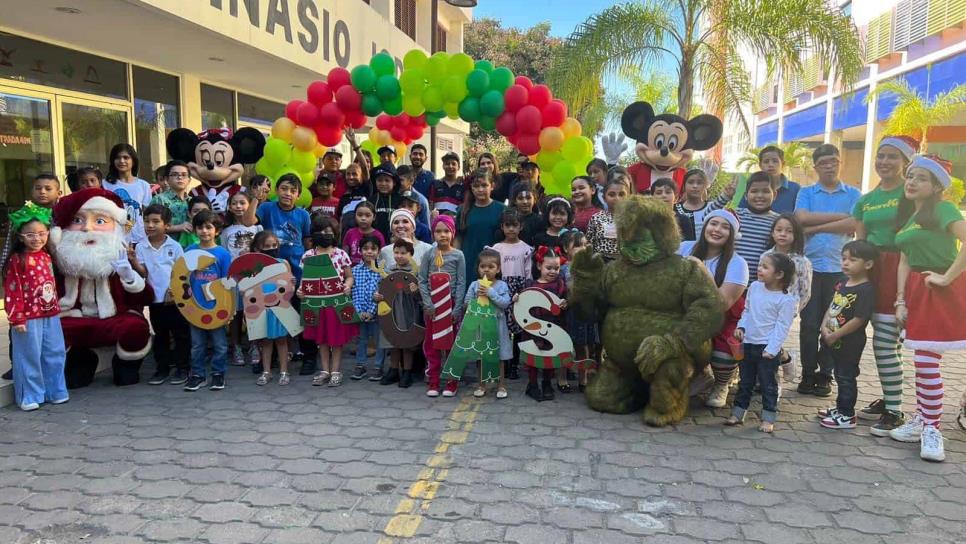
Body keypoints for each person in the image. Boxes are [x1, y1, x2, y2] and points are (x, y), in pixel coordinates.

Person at [891, 154, 965, 463]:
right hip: (918, 292)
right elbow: (905, 259)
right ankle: (923, 419)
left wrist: (947, 278)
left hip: (941, 291)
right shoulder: (912, 216)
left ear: (936, 186)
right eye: (910, 176)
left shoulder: (945, 209)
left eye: (920, 177)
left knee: (925, 361)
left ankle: (933, 428)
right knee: (923, 361)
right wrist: (900, 300)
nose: (911, 181)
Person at [50, 188, 154, 388]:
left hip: (113, 318)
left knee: (134, 328)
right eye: (77, 220)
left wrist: (129, 276)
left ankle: (125, 366)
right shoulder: (63, 264)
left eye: (99, 221)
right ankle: (80, 361)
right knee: (55, 330)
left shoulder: (117, 259)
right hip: (76, 317)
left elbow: (145, 297)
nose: (87, 229)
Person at [852, 136, 919, 434]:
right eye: (880, 156)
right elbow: (860, 242)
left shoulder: (913, 197)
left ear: (906, 162)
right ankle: (891, 398)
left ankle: (894, 410)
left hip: (900, 270)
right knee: (887, 341)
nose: (884, 162)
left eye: (892, 156)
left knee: (885, 342)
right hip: (871, 269)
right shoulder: (865, 200)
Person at [795, 144, 862, 397]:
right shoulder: (807, 192)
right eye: (824, 162)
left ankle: (825, 375)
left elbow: (855, 222)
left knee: (833, 324)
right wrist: (839, 219)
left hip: (840, 270)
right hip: (810, 269)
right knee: (809, 323)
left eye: (834, 160)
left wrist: (814, 227)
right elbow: (800, 219)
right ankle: (807, 373)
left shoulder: (853, 193)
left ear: (840, 162)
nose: (829, 165)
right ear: (816, 167)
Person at [679, 210, 749, 408]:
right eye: (713, 224)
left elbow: (722, 304)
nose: (717, 230)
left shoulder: (738, 264)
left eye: (725, 227)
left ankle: (722, 383)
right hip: (687, 313)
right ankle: (701, 375)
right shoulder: (684, 247)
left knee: (724, 351)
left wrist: (701, 269)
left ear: (732, 235)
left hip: (723, 319)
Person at [3, 203, 67, 411]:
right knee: (29, 355)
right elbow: (13, 291)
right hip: (27, 318)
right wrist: (17, 318)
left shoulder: (46, 256)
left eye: (41, 233)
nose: (37, 238)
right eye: (30, 234)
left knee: (55, 352)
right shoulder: (17, 260)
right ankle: (30, 394)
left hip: (51, 313)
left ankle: (55, 390)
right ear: (20, 235)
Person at [726, 252, 798, 433]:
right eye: (759, 265)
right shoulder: (755, 287)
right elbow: (747, 311)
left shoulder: (786, 299)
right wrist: (741, 327)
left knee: (768, 384)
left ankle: (768, 417)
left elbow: (782, 327)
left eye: (765, 267)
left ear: (779, 274)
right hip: (748, 343)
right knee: (745, 382)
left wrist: (772, 349)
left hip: (767, 348)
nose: (759, 269)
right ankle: (738, 412)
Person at [817, 240, 877, 429]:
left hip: (850, 343)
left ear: (867, 264)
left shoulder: (866, 289)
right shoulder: (842, 282)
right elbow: (833, 305)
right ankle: (840, 407)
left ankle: (847, 414)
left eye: (852, 259)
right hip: (832, 339)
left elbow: (859, 319)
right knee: (838, 373)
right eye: (843, 258)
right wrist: (823, 326)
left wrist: (836, 335)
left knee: (846, 377)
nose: (845, 263)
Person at [132, 204, 189, 386]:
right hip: (154, 301)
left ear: (167, 225)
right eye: (147, 221)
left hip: (174, 300)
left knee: (180, 334)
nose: (150, 225)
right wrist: (133, 261)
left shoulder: (174, 246)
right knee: (160, 335)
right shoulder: (141, 246)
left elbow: (182, 271)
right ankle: (162, 368)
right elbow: (143, 272)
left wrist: (174, 289)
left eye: (156, 221)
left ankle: (182, 368)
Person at [300, 215, 357, 387]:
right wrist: (300, 290)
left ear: (335, 234)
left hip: (336, 303)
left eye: (329, 232)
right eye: (321, 231)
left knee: (336, 339)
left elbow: (349, 276)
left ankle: (336, 371)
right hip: (316, 304)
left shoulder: (341, 254)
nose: (325, 235)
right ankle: (325, 370)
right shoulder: (308, 255)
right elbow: (305, 280)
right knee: (322, 339)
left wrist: (347, 286)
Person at [183, 210, 232, 392]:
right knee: (197, 344)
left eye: (208, 227)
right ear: (195, 230)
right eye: (200, 227)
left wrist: (228, 308)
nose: (204, 231)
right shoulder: (190, 251)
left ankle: (218, 373)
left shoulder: (223, 254)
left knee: (219, 344)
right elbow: (183, 278)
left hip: (216, 307)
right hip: (194, 306)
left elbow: (227, 282)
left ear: (217, 231)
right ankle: (197, 375)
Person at [419, 215, 466, 397]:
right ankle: (434, 381)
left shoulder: (458, 255)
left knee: (451, 344)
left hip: (451, 304)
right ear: (433, 234)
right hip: (433, 307)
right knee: (433, 344)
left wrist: (457, 308)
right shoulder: (429, 255)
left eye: (446, 231)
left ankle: (452, 381)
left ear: (452, 233)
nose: (442, 235)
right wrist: (428, 303)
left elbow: (461, 283)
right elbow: (422, 280)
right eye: (438, 231)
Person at [762, 213, 812, 381]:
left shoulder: (802, 261)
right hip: (767, 306)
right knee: (766, 340)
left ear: (795, 235)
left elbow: (805, 290)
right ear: (772, 233)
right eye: (779, 230)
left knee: (774, 340)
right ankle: (786, 359)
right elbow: (761, 281)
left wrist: (794, 308)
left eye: (789, 231)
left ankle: (773, 383)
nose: (783, 234)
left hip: (786, 309)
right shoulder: (766, 257)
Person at [705, 172, 779, 282]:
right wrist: (725, 197)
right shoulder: (735, 215)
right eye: (754, 191)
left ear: (774, 195)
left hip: (759, 284)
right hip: (728, 280)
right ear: (745, 195)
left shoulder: (778, 222)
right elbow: (707, 217)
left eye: (765, 191)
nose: (759, 195)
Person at [247, 230, 298, 386]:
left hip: (280, 306)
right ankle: (266, 371)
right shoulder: (254, 265)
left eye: (274, 245)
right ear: (257, 248)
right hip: (262, 308)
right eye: (266, 246)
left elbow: (290, 286)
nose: (271, 248)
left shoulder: (283, 263)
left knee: (282, 340)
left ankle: (284, 371)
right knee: (266, 341)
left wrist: (293, 284)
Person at [520, 246, 567, 401]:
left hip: (553, 326)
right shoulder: (530, 284)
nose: (553, 271)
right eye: (549, 268)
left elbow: (565, 301)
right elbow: (522, 302)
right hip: (533, 327)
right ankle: (532, 384)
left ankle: (547, 383)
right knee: (533, 355)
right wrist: (516, 298)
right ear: (539, 266)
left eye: (556, 268)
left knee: (550, 355)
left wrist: (565, 303)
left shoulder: (559, 285)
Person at [465, 248, 512, 399]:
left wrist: (491, 293)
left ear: (498, 269)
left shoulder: (502, 286)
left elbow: (505, 304)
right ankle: (482, 384)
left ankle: (501, 385)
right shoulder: (474, 285)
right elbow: (466, 304)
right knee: (481, 358)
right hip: (480, 327)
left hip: (497, 327)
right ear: (478, 268)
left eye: (491, 267)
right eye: (482, 266)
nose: (486, 270)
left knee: (498, 358)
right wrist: (474, 300)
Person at [492, 209, 533, 381]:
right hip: (501, 288)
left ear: (520, 227)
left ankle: (514, 364)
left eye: (514, 225)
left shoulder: (525, 248)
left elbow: (528, 273)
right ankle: (502, 364)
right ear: (502, 227)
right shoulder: (496, 248)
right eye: (507, 225)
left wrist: (522, 292)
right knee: (501, 328)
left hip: (518, 290)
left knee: (516, 330)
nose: (511, 229)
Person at [377, 238, 422, 388]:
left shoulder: (417, 271)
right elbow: (381, 289)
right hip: (391, 311)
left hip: (408, 311)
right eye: (396, 252)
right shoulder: (388, 270)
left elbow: (422, 295)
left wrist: (416, 292)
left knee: (406, 341)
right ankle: (393, 370)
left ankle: (407, 372)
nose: (399, 255)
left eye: (403, 253)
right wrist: (376, 296)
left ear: (411, 254)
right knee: (393, 341)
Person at [561, 229, 597, 391]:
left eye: (584, 245)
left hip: (586, 312)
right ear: (565, 249)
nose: (582, 249)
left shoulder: (591, 267)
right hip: (568, 313)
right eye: (577, 246)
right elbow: (560, 290)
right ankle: (562, 377)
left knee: (584, 345)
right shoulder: (563, 269)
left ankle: (583, 378)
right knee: (565, 345)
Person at [350, 235, 386, 382]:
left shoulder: (382, 271)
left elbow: (380, 294)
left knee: (379, 340)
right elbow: (355, 292)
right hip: (361, 313)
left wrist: (371, 311)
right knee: (361, 340)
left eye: (373, 249)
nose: (369, 252)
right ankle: (361, 365)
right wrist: (359, 312)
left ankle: (378, 366)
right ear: (360, 250)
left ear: (378, 252)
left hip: (376, 314)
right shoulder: (355, 270)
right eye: (365, 248)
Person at [458, 169, 505, 279]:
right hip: (468, 263)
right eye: (476, 186)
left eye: (484, 185)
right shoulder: (463, 210)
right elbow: (458, 238)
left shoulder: (502, 209)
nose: (480, 189)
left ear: (492, 186)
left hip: (492, 266)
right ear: (471, 187)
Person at [103, 143, 153, 246]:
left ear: (133, 161)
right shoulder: (105, 184)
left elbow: (147, 214)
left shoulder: (143, 185)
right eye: (117, 158)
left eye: (126, 157)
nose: (122, 161)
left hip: (139, 239)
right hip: (113, 239)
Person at [739, 145, 801, 213]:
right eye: (766, 162)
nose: (770, 165)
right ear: (760, 165)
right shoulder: (752, 187)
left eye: (775, 161)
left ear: (783, 164)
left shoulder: (795, 189)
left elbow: (799, 216)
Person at [587, 177, 629, 261]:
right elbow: (589, 244)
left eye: (621, 194)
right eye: (611, 194)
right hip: (601, 263)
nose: (617, 198)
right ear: (604, 198)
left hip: (625, 263)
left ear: (628, 197)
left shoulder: (633, 219)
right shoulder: (596, 218)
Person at [151, 160, 192, 242]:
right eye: (175, 174)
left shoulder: (192, 201)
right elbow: (152, 226)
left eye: (184, 175)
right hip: (165, 248)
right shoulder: (159, 200)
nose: (180, 177)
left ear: (189, 180)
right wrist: (178, 227)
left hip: (189, 249)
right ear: (167, 179)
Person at [221, 191, 262, 260]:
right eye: (234, 203)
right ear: (230, 208)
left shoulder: (257, 228)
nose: (238, 206)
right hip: (234, 268)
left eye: (242, 203)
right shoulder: (226, 230)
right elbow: (224, 252)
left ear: (250, 206)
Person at [674, 169, 710, 241]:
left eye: (699, 183)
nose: (695, 186)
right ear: (684, 186)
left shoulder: (711, 208)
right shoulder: (674, 209)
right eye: (690, 182)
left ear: (705, 186)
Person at [368, 163, 401, 241]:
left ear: (394, 182)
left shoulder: (400, 200)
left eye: (387, 180)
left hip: (396, 241)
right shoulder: (370, 200)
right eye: (379, 180)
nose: (383, 183)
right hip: (374, 242)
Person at [336, 162, 371, 230]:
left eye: (354, 174)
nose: (351, 177)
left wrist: (358, 151)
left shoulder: (366, 190)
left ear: (361, 176)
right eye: (348, 174)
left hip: (364, 235)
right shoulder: (344, 197)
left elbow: (365, 167)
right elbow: (341, 219)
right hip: (347, 236)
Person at [430, 152, 464, 218]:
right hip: (438, 224)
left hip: (455, 225)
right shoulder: (435, 183)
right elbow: (431, 205)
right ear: (443, 166)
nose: (450, 166)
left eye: (453, 164)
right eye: (447, 164)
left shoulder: (462, 186)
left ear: (458, 167)